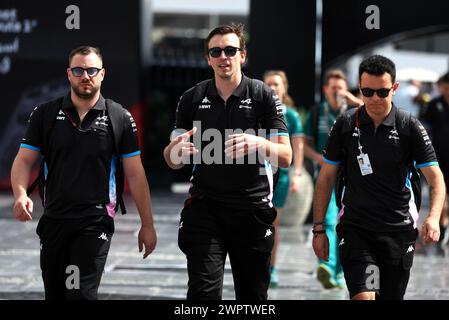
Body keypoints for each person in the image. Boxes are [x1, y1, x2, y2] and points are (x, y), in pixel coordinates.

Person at [11, 46, 157, 299]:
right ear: (69, 74)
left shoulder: (119, 116)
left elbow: (135, 174)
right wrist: (20, 194)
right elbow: (24, 161)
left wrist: (148, 224)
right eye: (78, 70)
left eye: (91, 70)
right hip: (54, 220)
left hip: (95, 220)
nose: (85, 76)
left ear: (102, 74)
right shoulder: (44, 113)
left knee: (80, 294)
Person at [163, 24, 292, 300]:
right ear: (208, 58)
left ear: (242, 55)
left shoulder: (261, 95)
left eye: (230, 50)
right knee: (202, 294)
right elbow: (172, 160)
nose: (224, 56)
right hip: (205, 208)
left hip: (252, 210)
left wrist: (259, 143)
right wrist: (176, 150)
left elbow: (286, 156)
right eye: (216, 51)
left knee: (253, 297)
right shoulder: (192, 98)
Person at [312, 55, 445, 300]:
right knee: (363, 296)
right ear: (359, 89)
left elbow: (435, 178)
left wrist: (434, 218)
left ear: (394, 89)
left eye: (382, 92)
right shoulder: (345, 124)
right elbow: (326, 178)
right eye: (367, 91)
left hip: (398, 230)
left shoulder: (409, 127)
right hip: (356, 228)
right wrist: (319, 229)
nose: (374, 98)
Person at [304, 69, 363, 289]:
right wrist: (318, 158)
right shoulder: (318, 112)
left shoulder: (355, 110)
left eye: (341, 87)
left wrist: (356, 100)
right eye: (333, 87)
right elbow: (304, 144)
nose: (337, 91)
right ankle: (326, 265)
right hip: (326, 176)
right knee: (327, 219)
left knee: (345, 223)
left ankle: (339, 272)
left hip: (352, 178)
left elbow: (379, 114)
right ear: (326, 90)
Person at [263, 70, 304, 288]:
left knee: (271, 222)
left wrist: (297, 174)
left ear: (284, 87)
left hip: (281, 176)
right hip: (258, 174)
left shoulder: (292, 115)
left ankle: (272, 267)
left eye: (276, 84)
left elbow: (297, 148)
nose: (272, 88)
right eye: (268, 84)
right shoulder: (256, 110)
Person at [421, 72, 449, 246]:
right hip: (439, 157)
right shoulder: (434, 104)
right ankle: (443, 226)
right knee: (441, 194)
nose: (445, 91)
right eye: (443, 88)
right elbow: (424, 127)